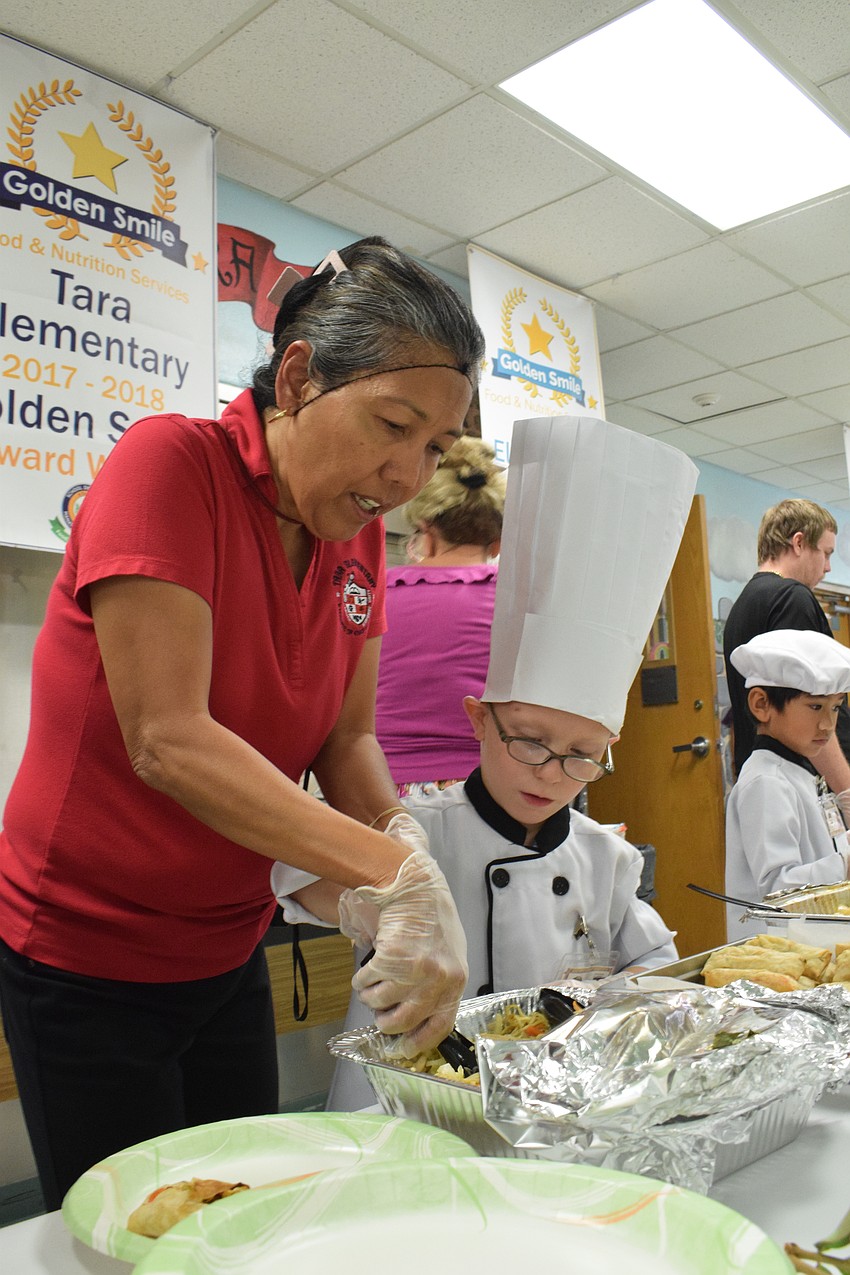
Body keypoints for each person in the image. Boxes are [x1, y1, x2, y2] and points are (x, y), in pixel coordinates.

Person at [0, 236, 483, 1209]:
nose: (406, 476)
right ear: (298, 377)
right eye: (394, 425)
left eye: (434, 447)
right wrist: (388, 869)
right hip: (87, 956)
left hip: (226, 947)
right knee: (129, 1233)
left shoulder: (355, 547)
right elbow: (167, 739)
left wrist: (400, 852)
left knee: (243, 1211)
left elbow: (345, 741)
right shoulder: (170, 465)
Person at [283, 413, 697, 1111]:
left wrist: (619, 1008)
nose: (547, 772)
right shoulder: (419, 831)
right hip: (399, 1110)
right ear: (479, 719)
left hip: (551, 1110)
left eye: (580, 758)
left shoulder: (605, 858)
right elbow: (289, 871)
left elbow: (656, 966)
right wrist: (377, 898)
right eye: (528, 741)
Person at [375, 436, 506, 793]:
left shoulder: (373, 593)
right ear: (498, 541)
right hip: (492, 790)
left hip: (379, 789)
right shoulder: (517, 599)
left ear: (426, 528)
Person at [725, 629, 850, 940]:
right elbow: (778, 889)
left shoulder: (798, 771)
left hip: (815, 941)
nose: (827, 724)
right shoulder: (766, 781)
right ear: (761, 704)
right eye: (815, 707)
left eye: (834, 708)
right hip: (777, 954)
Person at [722, 498, 850, 791]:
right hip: (802, 774)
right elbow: (810, 704)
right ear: (799, 542)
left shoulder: (745, 604)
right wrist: (846, 794)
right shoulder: (791, 598)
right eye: (826, 553)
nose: (828, 567)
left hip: (767, 770)